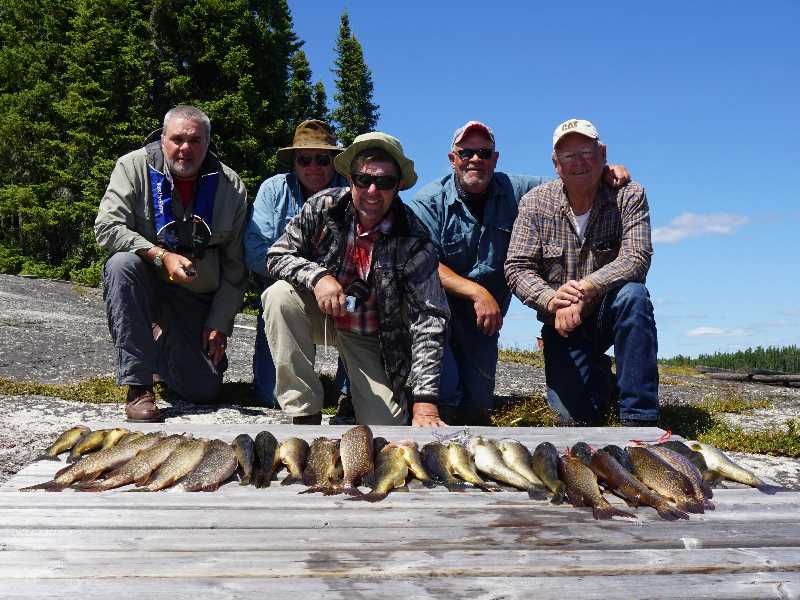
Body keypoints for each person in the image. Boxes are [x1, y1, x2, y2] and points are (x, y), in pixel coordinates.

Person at [408, 121, 631, 425]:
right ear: (452, 159)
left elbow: (572, 178)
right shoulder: (429, 202)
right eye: (466, 153)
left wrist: (604, 171)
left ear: (495, 159)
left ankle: (602, 377)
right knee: (446, 398)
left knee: (477, 409)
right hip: (437, 312)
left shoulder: (519, 189)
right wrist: (477, 292)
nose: (475, 160)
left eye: (484, 153)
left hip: (483, 324)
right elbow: (422, 262)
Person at [263, 132, 449, 427]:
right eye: (363, 179)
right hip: (321, 313)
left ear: (398, 186)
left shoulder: (416, 240)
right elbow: (277, 255)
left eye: (385, 182)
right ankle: (304, 411)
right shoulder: (322, 206)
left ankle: (357, 398)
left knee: (387, 428)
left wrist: (425, 402)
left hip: (371, 336)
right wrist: (318, 277)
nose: (372, 190)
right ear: (350, 180)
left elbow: (429, 319)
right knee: (278, 296)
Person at [95, 105, 248, 423]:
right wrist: (161, 255)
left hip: (195, 296)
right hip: (146, 286)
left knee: (203, 390)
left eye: (195, 140)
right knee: (120, 265)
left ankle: (161, 347)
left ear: (207, 143)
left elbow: (235, 267)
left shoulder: (230, 186)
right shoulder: (132, 166)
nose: (185, 148)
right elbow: (107, 228)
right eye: (177, 139)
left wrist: (220, 322)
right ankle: (138, 385)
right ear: (162, 139)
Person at [505, 118, 658, 426]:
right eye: (568, 156)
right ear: (556, 164)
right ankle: (601, 378)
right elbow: (517, 267)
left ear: (602, 154)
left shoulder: (629, 195)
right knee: (575, 417)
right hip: (562, 323)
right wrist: (552, 300)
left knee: (634, 296)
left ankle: (640, 418)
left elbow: (636, 257)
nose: (578, 162)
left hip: (607, 311)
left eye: (586, 152)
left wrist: (585, 288)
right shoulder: (534, 203)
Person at [244, 120, 352, 419]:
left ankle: (349, 389)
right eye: (304, 159)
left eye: (322, 159)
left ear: (335, 161)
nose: (313, 166)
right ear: (293, 162)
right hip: (292, 296)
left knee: (358, 405)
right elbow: (256, 252)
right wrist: (312, 277)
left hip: (346, 298)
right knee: (270, 396)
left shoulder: (354, 190)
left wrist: (331, 282)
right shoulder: (273, 190)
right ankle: (303, 404)